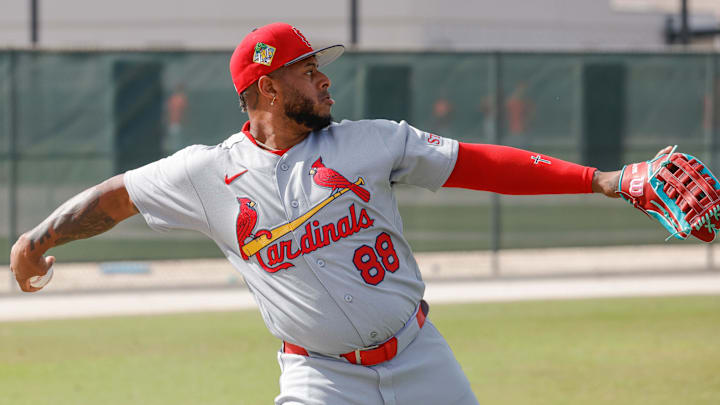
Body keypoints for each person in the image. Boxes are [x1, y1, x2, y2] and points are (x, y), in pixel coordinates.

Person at [10, 22, 662, 405]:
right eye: (306, 70)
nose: (323, 79)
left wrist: (604, 179)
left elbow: (481, 163)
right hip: (320, 377)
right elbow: (113, 198)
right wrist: (36, 239)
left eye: (320, 68)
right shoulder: (205, 173)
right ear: (265, 87)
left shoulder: (369, 143)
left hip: (419, 358)